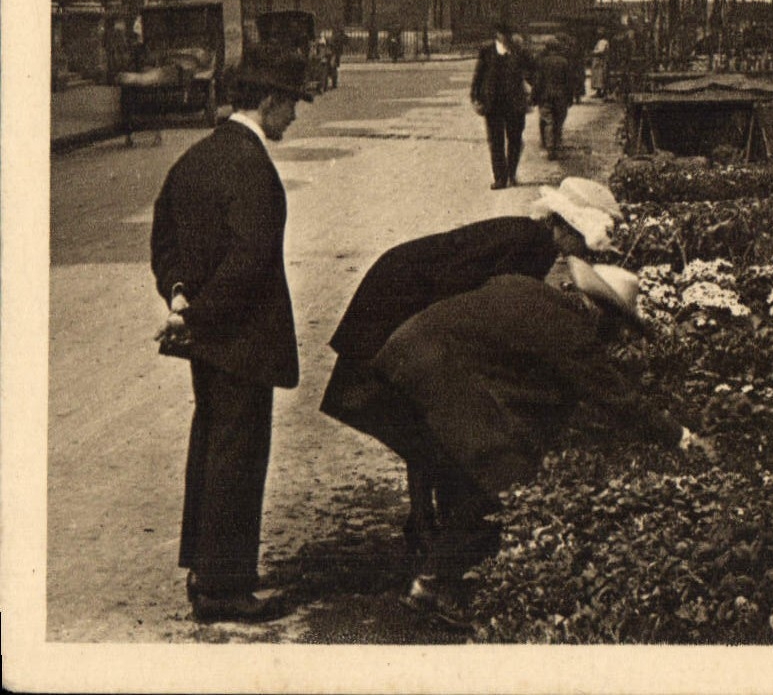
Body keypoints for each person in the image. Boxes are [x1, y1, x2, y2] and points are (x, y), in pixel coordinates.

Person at [355, 257, 711, 628]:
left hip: (400, 351)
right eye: (617, 325)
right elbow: (615, 397)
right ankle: (433, 584)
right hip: (432, 371)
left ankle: (438, 565)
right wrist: (679, 436)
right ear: (601, 313)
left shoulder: (526, 286)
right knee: (503, 478)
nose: (615, 337)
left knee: (465, 463)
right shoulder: (571, 330)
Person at [320, 178, 618, 556]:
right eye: (585, 245)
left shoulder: (527, 234)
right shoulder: (532, 246)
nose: (582, 257)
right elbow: (490, 310)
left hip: (398, 298)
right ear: (570, 227)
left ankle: (425, 523)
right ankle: (430, 534)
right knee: (423, 419)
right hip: (395, 308)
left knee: (421, 420)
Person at [150, 56, 310, 624]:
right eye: (291, 103)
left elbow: (163, 235)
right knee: (239, 458)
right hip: (241, 337)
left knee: (211, 446)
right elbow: (251, 260)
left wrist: (180, 299)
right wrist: (203, 316)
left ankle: (204, 567)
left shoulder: (195, 158)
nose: (293, 116)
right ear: (266, 101)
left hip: (206, 338)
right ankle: (225, 588)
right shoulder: (252, 165)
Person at [470, 20, 532, 189]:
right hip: (493, 103)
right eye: (502, 34)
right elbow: (479, 74)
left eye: (508, 35)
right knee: (495, 141)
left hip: (515, 103)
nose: (505, 38)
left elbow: (532, 71)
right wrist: (475, 96)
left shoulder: (519, 51)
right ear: (497, 35)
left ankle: (511, 173)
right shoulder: (487, 51)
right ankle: (500, 178)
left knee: (515, 140)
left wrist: (532, 93)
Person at [531, 38, 573, 159]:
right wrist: (570, 97)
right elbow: (568, 82)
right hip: (561, 97)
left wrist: (534, 97)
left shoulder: (542, 62)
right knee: (558, 122)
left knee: (548, 122)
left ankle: (550, 148)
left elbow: (537, 82)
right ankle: (557, 146)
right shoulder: (564, 62)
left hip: (545, 96)